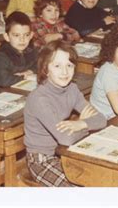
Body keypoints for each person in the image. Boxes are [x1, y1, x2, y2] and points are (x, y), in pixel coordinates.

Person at [24, 40, 107, 187]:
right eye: (57, 66)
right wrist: (85, 126)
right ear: (45, 69)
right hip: (42, 160)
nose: (64, 72)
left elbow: (101, 119)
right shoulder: (39, 99)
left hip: (64, 153)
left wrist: (80, 123)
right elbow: (65, 139)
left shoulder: (72, 89)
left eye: (69, 65)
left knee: (102, 179)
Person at [0, 11, 38, 87]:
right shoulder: (2, 55)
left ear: (31, 35)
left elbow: (41, 64)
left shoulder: (30, 48)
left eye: (26, 35)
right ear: (7, 37)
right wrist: (26, 77)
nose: (22, 39)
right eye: (16, 35)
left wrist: (29, 71)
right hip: (4, 93)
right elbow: (4, 81)